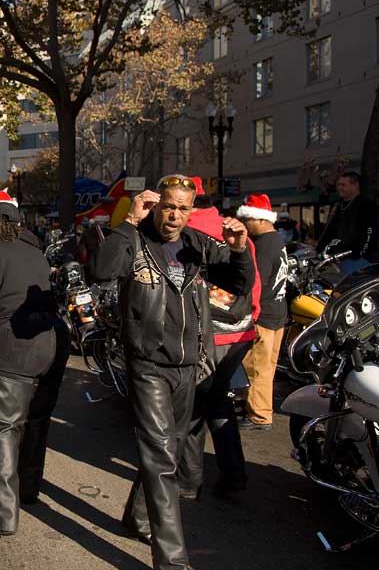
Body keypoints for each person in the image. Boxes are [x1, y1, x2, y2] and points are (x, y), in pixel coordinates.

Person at [90, 175, 254, 570]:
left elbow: (239, 283)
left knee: (173, 448)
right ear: (155, 204)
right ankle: (172, 560)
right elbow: (100, 269)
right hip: (147, 364)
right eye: (168, 206)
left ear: (190, 210)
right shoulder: (134, 239)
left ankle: (138, 517)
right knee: (163, 456)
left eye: (183, 208)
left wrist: (239, 250)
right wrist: (128, 221)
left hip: (188, 364)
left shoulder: (197, 244)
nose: (174, 215)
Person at [0, 189, 68, 539]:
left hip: (13, 345)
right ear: (19, 221)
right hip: (52, 342)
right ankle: (30, 489)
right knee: (37, 420)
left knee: (3, 428)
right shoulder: (35, 251)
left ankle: (4, 516)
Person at [177, 178, 262, 499]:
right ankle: (234, 475)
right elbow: (252, 285)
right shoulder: (236, 231)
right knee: (219, 402)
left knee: (194, 407)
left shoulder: (186, 235)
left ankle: (189, 482)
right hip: (240, 332)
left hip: (207, 336)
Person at [236, 193, 289, 430]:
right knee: (265, 367)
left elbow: (257, 282)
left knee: (257, 367)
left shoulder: (263, 246)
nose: (245, 225)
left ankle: (259, 415)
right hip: (278, 313)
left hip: (264, 315)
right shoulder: (276, 240)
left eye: (247, 220)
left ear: (258, 219)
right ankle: (259, 409)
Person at [316, 171, 379, 274]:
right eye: (338, 184)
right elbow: (330, 230)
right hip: (338, 258)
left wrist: (359, 253)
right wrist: (319, 248)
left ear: (355, 185)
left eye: (343, 185)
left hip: (357, 260)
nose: (339, 188)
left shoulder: (367, 205)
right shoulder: (338, 206)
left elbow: (370, 232)